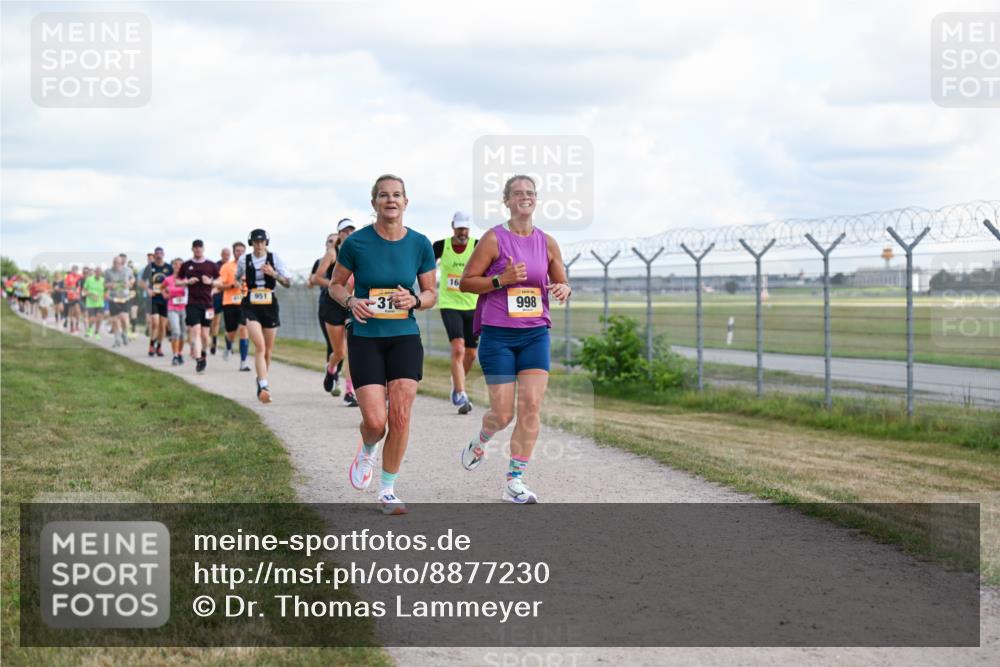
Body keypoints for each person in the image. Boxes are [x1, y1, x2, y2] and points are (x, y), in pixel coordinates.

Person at [457, 175, 571, 504]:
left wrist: (564, 288)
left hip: (535, 334)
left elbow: (560, 281)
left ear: (536, 199)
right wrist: (500, 280)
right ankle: (480, 440)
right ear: (506, 201)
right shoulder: (493, 239)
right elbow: (467, 283)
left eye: (530, 193)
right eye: (518, 193)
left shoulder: (547, 242)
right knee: (503, 414)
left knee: (532, 405)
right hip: (498, 336)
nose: (525, 197)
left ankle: (514, 480)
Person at [328, 174, 437, 515]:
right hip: (365, 338)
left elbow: (432, 294)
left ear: (406, 202)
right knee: (376, 422)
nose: (391, 201)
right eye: (384, 196)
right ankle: (367, 448)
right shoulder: (356, 244)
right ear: (374, 202)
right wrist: (350, 303)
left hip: (404, 336)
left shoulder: (419, 244)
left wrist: (415, 301)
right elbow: (335, 285)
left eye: (397, 195)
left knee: (401, 416)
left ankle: (388, 489)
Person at [236, 229, 291, 402]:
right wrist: (241, 285)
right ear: (251, 242)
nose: (259, 244)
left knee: (267, 350)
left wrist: (273, 274)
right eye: (255, 241)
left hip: (269, 304)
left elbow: (287, 282)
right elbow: (237, 276)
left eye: (261, 241)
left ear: (266, 242)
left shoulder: (275, 258)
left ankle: (261, 380)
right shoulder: (244, 260)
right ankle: (264, 385)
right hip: (251, 304)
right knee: (259, 345)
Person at [434, 211, 479, 414]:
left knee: (471, 354)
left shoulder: (477, 246)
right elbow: (423, 265)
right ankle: (461, 395)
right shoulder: (441, 246)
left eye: (465, 228)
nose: (462, 232)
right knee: (458, 349)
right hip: (450, 304)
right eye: (459, 227)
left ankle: (456, 382)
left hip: (473, 305)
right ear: (453, 226)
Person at [311, 219, 359, 407]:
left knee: (352, 350)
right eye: (344, 231)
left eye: (351, 230)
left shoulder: (358, 253)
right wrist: (335, 285)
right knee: (339, 352)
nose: (348, 233)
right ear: (339, 234)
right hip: (331, 305)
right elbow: (316, 278)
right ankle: (331, 369)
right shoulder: (332, 253)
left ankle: (350, 392)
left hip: (350, 304)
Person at [177, 240, 220, 374]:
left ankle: (203, 353)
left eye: (200, 248)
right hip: (192, 304)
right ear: (192, 249)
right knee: (195, 332)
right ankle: (199, 359)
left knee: (205, 336)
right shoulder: (187, 265)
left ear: (203, 249)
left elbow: (220, 281)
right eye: (195, 248)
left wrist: (211, 282)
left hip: (208, 304)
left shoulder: (211, 265)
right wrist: (187, 282)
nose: (197, 250)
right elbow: (177, 281)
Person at [216, 241, 251, 371]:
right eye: (237, 251)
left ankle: (244, 362)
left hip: (245, 301)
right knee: (231, 332)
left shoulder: (250, 265)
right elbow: (219, 285)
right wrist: (231, 285)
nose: (240, 253)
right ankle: (229, 345)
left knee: (243, 329)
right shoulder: (226, 267)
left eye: (242, 251)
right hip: (230, 302)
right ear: (234, 252)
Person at [141, 247, 172, 357]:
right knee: (155, 322)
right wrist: (148, 289)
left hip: (165, 299)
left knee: (162, 325)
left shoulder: (169, 267)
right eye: (157, 254)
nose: (159, 255)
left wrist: (170, 290)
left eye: (160, 253)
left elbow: (173, 280)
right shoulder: (150, 267)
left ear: (164, 254)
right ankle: (151, 345)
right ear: (154, 255)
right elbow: (141, 281)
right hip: (153, 299)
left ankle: (159, 346)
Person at [160, 258, 188, 365]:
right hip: (172, 308)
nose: (178, 266)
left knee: (183, 334)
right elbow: (162, 288)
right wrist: (164, 294)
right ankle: (175, 355)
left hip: (184, 308)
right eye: (176, 264)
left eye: (180, 264)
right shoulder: (168, 279)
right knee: (176, 331)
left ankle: (180, 353)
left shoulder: (186, 279)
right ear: (173, 266)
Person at [104, 255, 134, 347]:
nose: (117, 264)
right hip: (113, 298)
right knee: (115, 320)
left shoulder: (128, 270)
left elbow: (132, 279)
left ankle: (124, 333)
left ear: (122, 263)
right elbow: (105, 284)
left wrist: (129, 283)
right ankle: (117, 340)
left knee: (124, 318)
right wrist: (111, 285)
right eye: (115, 262)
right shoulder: (108, 272)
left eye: (119, 263)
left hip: (125, 297)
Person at [209, 246, 231, 355]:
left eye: (228, 255)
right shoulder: (216, 266)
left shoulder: (232, 266)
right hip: (217, 296)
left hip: (229, 296)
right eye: (225, 254)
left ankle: (228, 344)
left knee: (229, 321)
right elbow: (213, 281)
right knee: (216, 321)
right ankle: (214, 341)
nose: (226, 257)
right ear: (221, 255)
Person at [82, 266, 106, 339]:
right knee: (92, 319)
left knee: (99, 318)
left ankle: (97, 332)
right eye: (97, 272)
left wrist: (106, 296)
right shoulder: (89, 280)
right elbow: (84, 291)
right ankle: (89, 329)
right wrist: (92, 295)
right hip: (90, 304)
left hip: (100, 303)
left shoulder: (103, 280)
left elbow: (106, 291)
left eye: (100, 273)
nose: (98, 274)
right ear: (95, 272)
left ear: (101, 273)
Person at [64, 265, 83, 334]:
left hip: (77, 296)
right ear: (71, 270)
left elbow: (84, 280)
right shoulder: (68, 277)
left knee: (78, 311)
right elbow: (65, 286)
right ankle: (72, 327)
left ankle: (77, 326)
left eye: (76, 269)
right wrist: (71, 287)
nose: (75, 271)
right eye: (73, 269)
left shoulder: (79, 276)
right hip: (71, 296)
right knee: (72, 312)